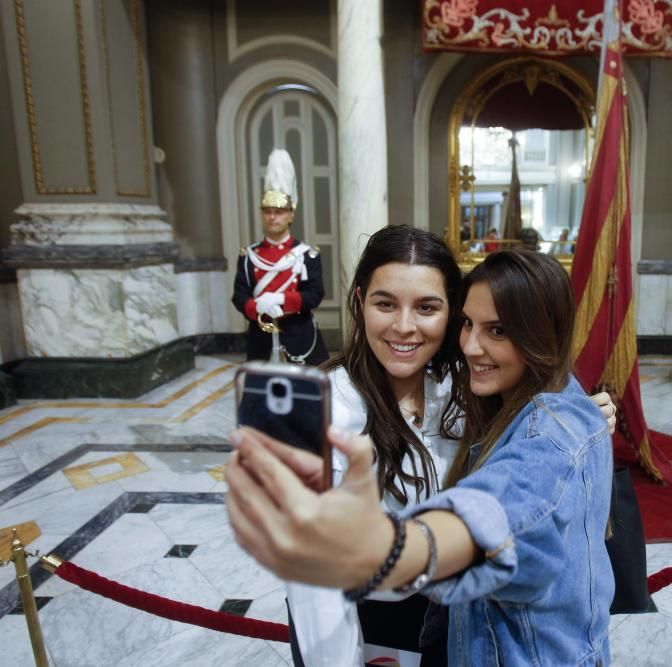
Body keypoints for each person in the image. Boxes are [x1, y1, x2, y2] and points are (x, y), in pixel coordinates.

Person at [226, 249, 615, 665]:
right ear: (359, 303)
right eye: (385, 303)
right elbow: (314, 600)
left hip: (468, 632)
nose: (405, 326)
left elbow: (502, 502)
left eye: (427, 307)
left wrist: (385, 547)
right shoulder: (331, 405)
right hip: (378, 628)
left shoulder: (470, 391)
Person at [232, 149, 329, 366]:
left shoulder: (308, 254)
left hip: (300, 335)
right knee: (260, 395)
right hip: (261, 337)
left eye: (279, 211)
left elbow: (315, 294)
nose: (273, 217)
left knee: (309, 395)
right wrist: (256, 307)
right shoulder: (249, 255)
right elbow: (239, 295)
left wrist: (281, 300)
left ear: (291, 215)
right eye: (267, 211)